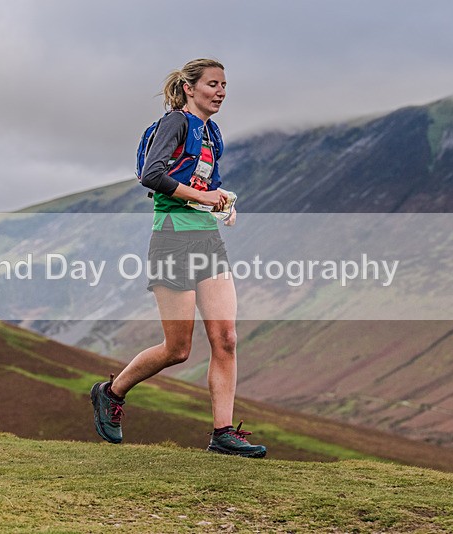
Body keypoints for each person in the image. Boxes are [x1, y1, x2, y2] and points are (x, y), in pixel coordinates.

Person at [91, 59, 266, 457]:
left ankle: (223, 433)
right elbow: (152, 175)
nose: (220, 91)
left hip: (207, 240)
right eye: (212, 84)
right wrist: (201, 196)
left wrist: (222, 203)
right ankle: (111, 392)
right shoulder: (176, 123)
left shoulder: (211, 132)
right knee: (178, 348)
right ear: (190, 88)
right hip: (172, 239)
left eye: (224, 85)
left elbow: (206, 183)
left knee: (226, 339)